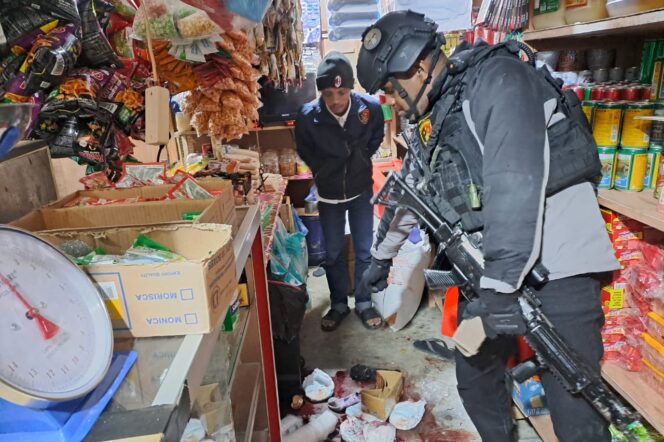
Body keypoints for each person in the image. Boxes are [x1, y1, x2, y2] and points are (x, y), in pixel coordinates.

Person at [356, 10, 619, 442]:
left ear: (418, 65)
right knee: (474, 375)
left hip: (558, 271)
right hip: (496, 276)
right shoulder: (436, 116)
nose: (391, 100)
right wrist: (380, 260)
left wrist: (500, 286)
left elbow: (516, 184)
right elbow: (411, 189)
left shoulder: (500, 80)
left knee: (577, 411)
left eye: (390, 88)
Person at [295, 51, 385, 332]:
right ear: (321, 92)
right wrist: (324, 170)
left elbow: (376, 137)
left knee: (364, 250)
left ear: (351, 89)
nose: (335, 100)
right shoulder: (308, 117)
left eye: (342, 92)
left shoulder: (368, 108)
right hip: (329, 195)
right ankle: (338, 304)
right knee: (332, 253)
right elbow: (305, 150)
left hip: (360, 191)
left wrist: (359, 160)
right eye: (328, 93)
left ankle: (363, 301)